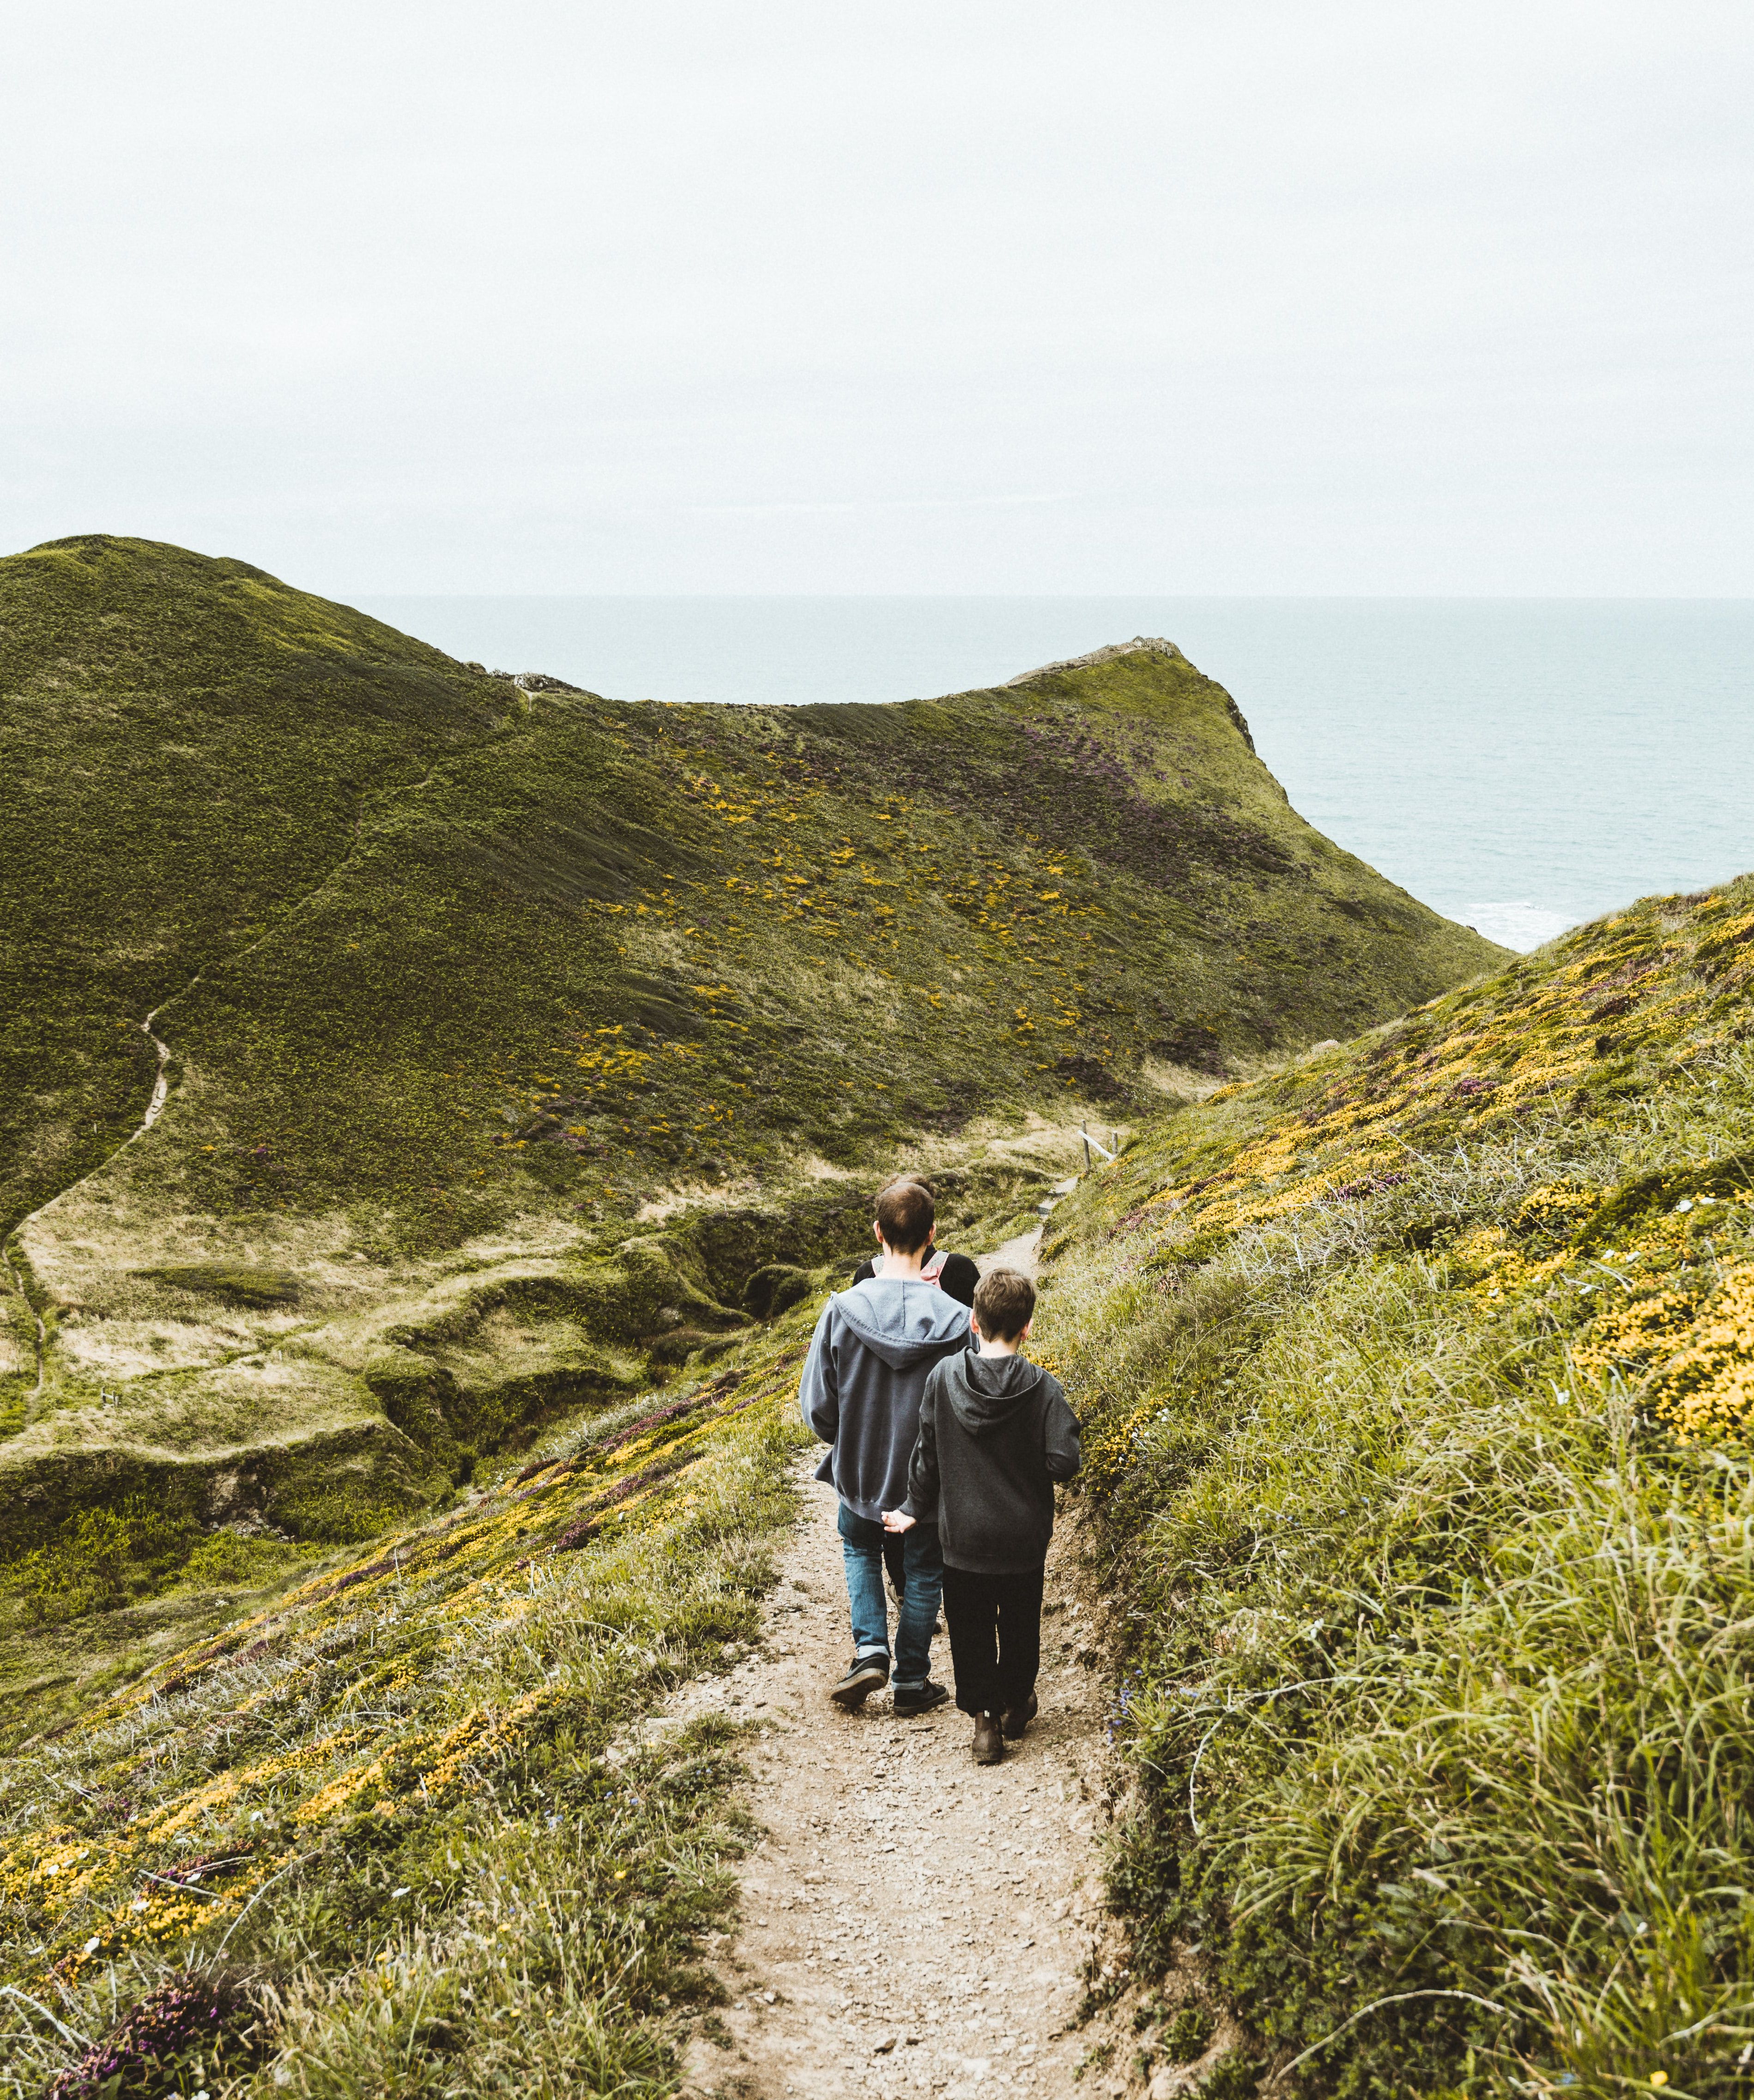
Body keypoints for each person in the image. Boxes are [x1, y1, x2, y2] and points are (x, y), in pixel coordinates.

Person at [882, 1265, 1080, 1764]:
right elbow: (1064, 1463)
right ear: (1028, 1327)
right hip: (1022, 1539)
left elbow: (925, 1455)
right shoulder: (1044, 1388)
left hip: (963, 1538)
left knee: (969, 1629)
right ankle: (1018, 1701)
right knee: (1019, 1625)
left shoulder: (943, 1378)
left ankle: (985, 1724)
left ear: (974, 1321)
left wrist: (912, 1508)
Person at [799, 1176, 971, 1715]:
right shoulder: (960, 1321)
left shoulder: (841, 1310)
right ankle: (912, 1682)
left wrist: (843, 1438)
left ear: (878, 1233)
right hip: (927, 1475)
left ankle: (870, 1650)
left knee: (858, 1545)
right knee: (924, 1568)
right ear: (933, 1235)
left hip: (861, 1464)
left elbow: (818, 1406)